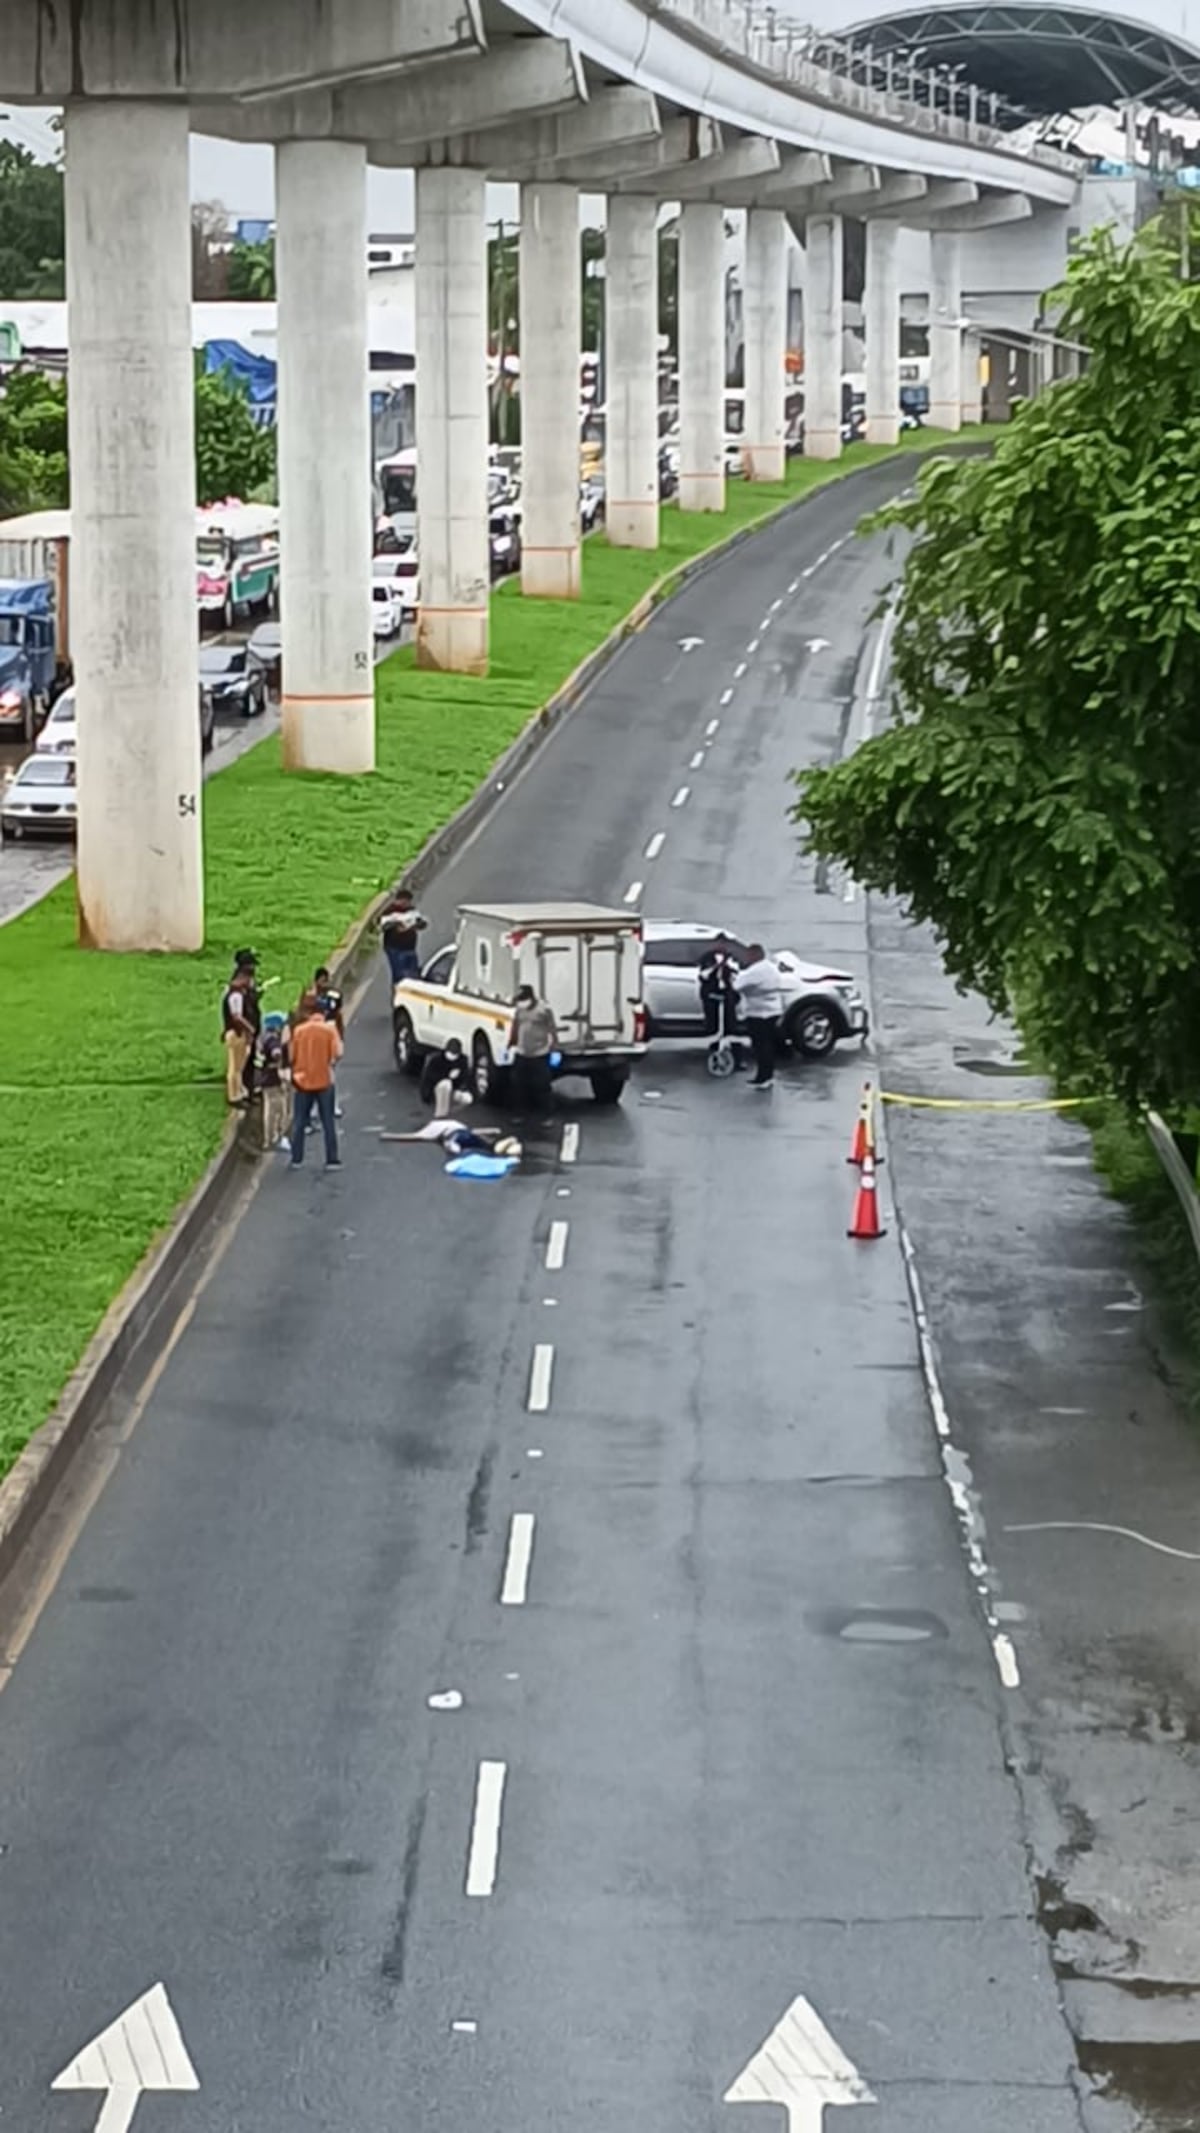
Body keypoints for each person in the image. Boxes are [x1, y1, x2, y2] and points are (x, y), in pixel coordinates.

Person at [289, 991, 343, 1167]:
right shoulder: (329, 1030)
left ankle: (296, 1158)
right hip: (324, 1080)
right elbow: (338, 1053)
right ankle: (332, 1159)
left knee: (298, 1121)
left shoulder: (298, 1031)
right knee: (328, 1122)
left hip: (303, 1080)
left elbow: (291, 1056)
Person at [733, 944, 785, 1089]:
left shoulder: (755, 971)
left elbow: (736, 985)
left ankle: (763, 1077)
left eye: (749, 955)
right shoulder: (771, 968)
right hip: (773, 1010)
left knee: (761, 1046)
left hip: (759, 1013)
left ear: (755, 955)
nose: (747, 958)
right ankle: (767, 1076)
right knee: (767, 1045)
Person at [508, 983, 558, 1115]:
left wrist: (554, 1047)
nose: (521, 1002)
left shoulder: (544, 1009)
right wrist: (511, 1043)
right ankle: (520, 1114)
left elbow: (552, 1028)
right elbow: (515, 1026)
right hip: (522, 1053)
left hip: (540, 1054)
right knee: (518, 1086)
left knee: (542, 1086)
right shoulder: (519, 1009)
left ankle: (546, 1116)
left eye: (523, 999)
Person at [698, 934, 745, 1067]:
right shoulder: (707, 958)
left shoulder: (731, 958)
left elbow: (738, 973)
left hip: (727, 995)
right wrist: (715, 966)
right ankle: (715, 1053)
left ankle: (736, 1059)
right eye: (719, 943)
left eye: (724, 944)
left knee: (731, 1027)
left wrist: (729, 967)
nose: (722, 946)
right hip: (711, 994)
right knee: (713, 1026)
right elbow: (703, 976)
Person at [221, 950, 260, 1107]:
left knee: (240, 1066)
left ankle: (240, 1092)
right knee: (235, 1068)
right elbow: (237, 1017)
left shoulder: (240, 992)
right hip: (236, 1033)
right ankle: (234, 1096)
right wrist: (250, 1029)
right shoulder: (235, 994)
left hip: (240, 1034)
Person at [254, 1011, 290, 1153]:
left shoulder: (262, 1038)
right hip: (272, 1079)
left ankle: (270, 1138)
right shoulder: (273, 1040)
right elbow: (276, 1053)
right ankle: (272, 1139)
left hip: (264, 1077)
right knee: (276, 1110)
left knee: (271, 1108)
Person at [379, 887, 428, 985]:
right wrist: (397, 923)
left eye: (408, 901)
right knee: (399, 974)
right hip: (395, 948)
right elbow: (384, 926)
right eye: (404, 901)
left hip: (410, 948)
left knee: (413, 974)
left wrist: (415, 925)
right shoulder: (390, 911)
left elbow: (422, 923)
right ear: (399, 900)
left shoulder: (412, 911)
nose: (407, 903)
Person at [420, 1035, 472, 1119]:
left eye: (455, 1054)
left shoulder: (462, 1060)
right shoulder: (436, 1060)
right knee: (446, 1084)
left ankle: (446, 1114)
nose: (452, 1056)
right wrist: (448, 1076)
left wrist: (460, 1080)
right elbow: (430, 1078)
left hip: (452, 1090)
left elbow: (465, 1078)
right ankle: (439, 1116)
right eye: (451, 1053)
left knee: (467, 1099)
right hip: (435, 1090)